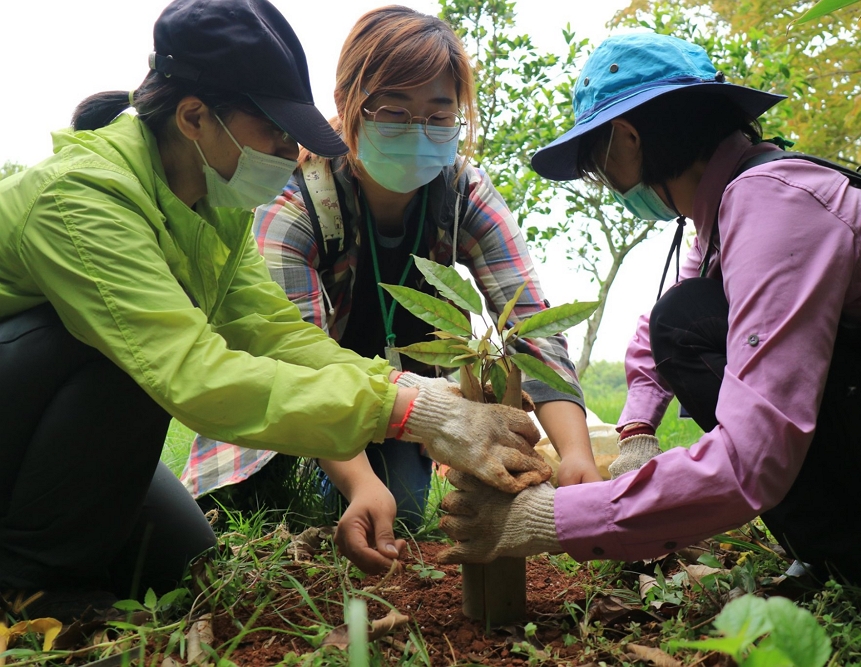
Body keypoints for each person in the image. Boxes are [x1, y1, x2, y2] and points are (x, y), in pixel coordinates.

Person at [0, 0, 548, 623]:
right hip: (36, 376)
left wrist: (417, 396)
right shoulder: (86, 201)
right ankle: (27, 588)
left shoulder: (212, 206)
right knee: (105, 348)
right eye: (275, 134)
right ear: (194, 117)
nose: (290, 155)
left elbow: (275, 333)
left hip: (31, 419)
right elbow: (191, 374)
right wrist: (411, 415)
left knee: (182, 565)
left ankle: (52, 552)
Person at [436, 32, 861, 584]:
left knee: (685, 322)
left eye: (596, 160)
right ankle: (853, 552)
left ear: (628, 139)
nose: (604, 181)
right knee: (683, 318)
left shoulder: (773, 204)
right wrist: (635, 432)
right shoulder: (731, 203)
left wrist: (554, 521)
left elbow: (754, 453)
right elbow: (662, 330)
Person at [180, 5, 602, 574]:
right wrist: (358, 483)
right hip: (293, 414)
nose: (418, 133)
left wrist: (575, 456)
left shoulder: (462, 195)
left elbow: (529, 323)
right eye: (395, 112)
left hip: (405, 408)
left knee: (399, 508)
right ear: (352, 107)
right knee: (303, 512)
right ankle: (286, 495)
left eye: (438, 114)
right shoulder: (294, 205)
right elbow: (292, 361)